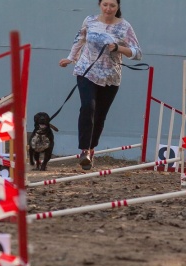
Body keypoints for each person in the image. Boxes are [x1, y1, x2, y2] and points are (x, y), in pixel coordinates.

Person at [59, 0, 142, 170]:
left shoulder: (125, 27)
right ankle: (84, 150)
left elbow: (137, 53)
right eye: (105, 4)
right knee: (88, 106)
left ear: (118, 6)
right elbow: (80, 39)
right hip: (86, 70)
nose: (108, 8)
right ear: (100, 5)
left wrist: (118, 47)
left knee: (100, 115)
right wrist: (71, 58)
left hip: (110, 76)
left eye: (112, 5)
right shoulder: (90, 20)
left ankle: (91, 149)